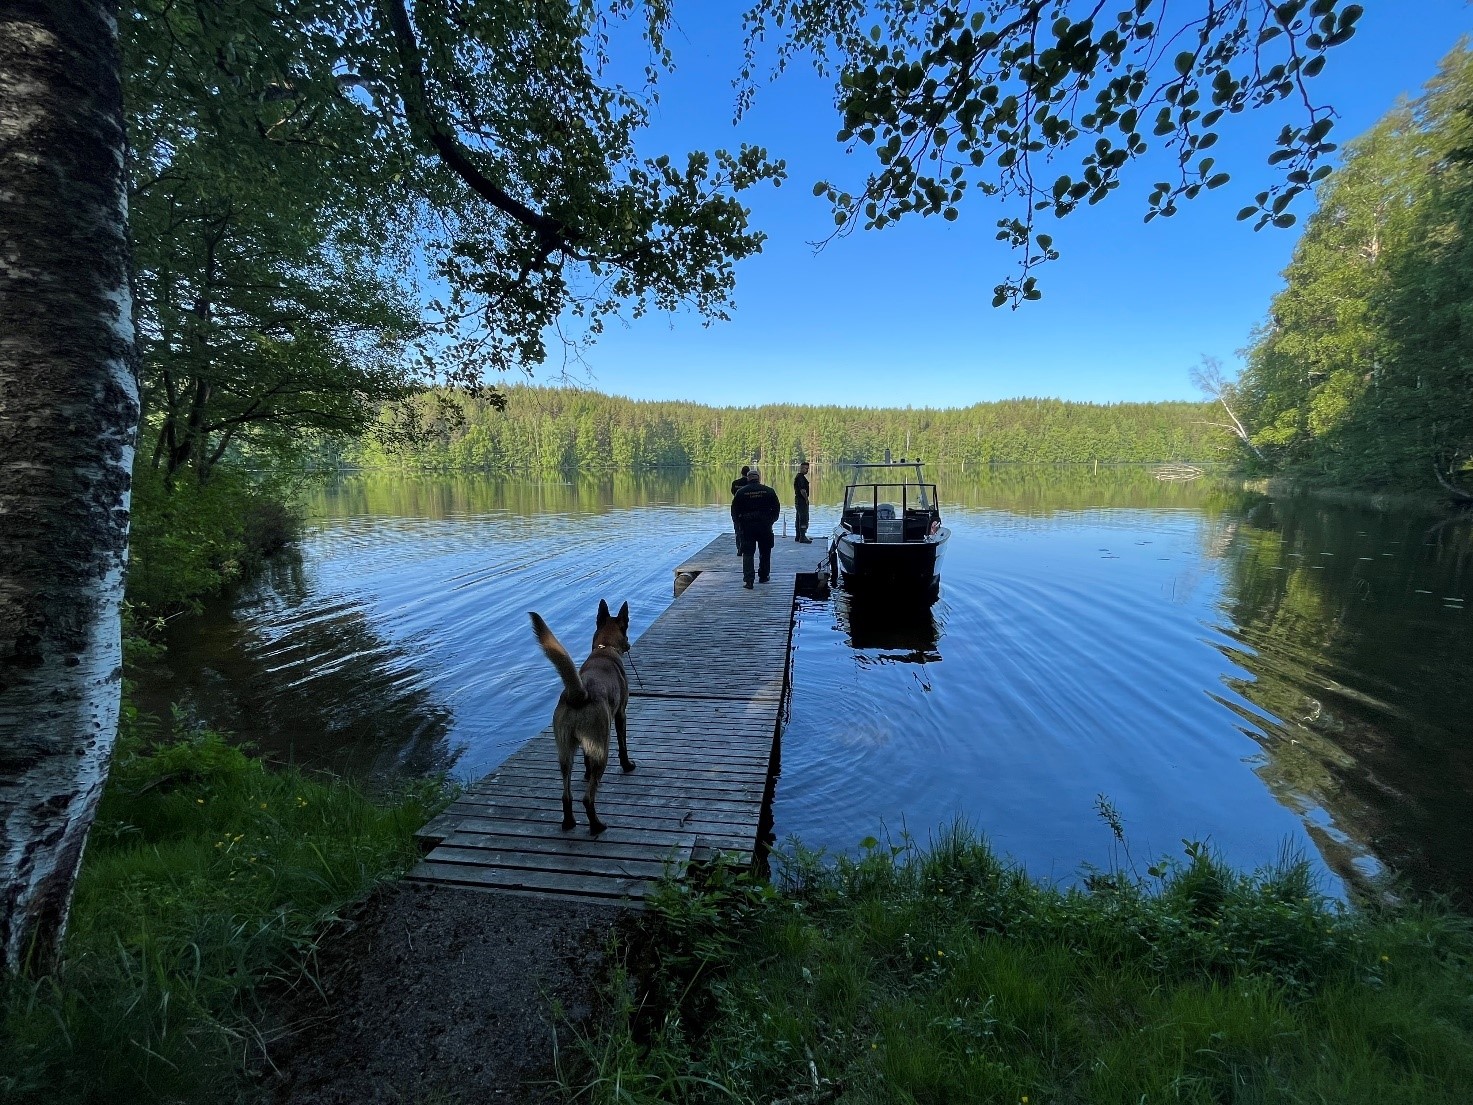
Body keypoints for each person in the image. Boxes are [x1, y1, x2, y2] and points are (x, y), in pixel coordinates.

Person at [730, 467, 780, 588]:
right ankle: (763, 576)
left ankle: (749, 580)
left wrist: (739, 524)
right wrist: (771, 521)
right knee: (765, 552)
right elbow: (776, 508)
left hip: (747, 527)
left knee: (748, 553)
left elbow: (734, 512)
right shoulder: (769, 491)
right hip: (765, 526)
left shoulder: (741, 493)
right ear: (759, 478)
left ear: (748, 479)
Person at [730, 465, 750, 552]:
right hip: (748, 509)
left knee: (737, 529)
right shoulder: (751, 484)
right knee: (748, 529)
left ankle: (739, 548)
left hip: (737, 508)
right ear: (748, 473)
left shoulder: (735, 483)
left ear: (741, 473)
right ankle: (747, 548)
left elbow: (733, 493)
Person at [792, 461, 812, 543]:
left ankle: (798, 536)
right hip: (801, 501)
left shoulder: (799, 477)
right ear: (801, 468)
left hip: (798, 500)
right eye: (805, 468)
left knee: (799, 518)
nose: (807, 470)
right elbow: (802, 490)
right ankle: (802, 537)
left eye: (807, 469)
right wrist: (806, 499)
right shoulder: (800, 478)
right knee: (803, 518)